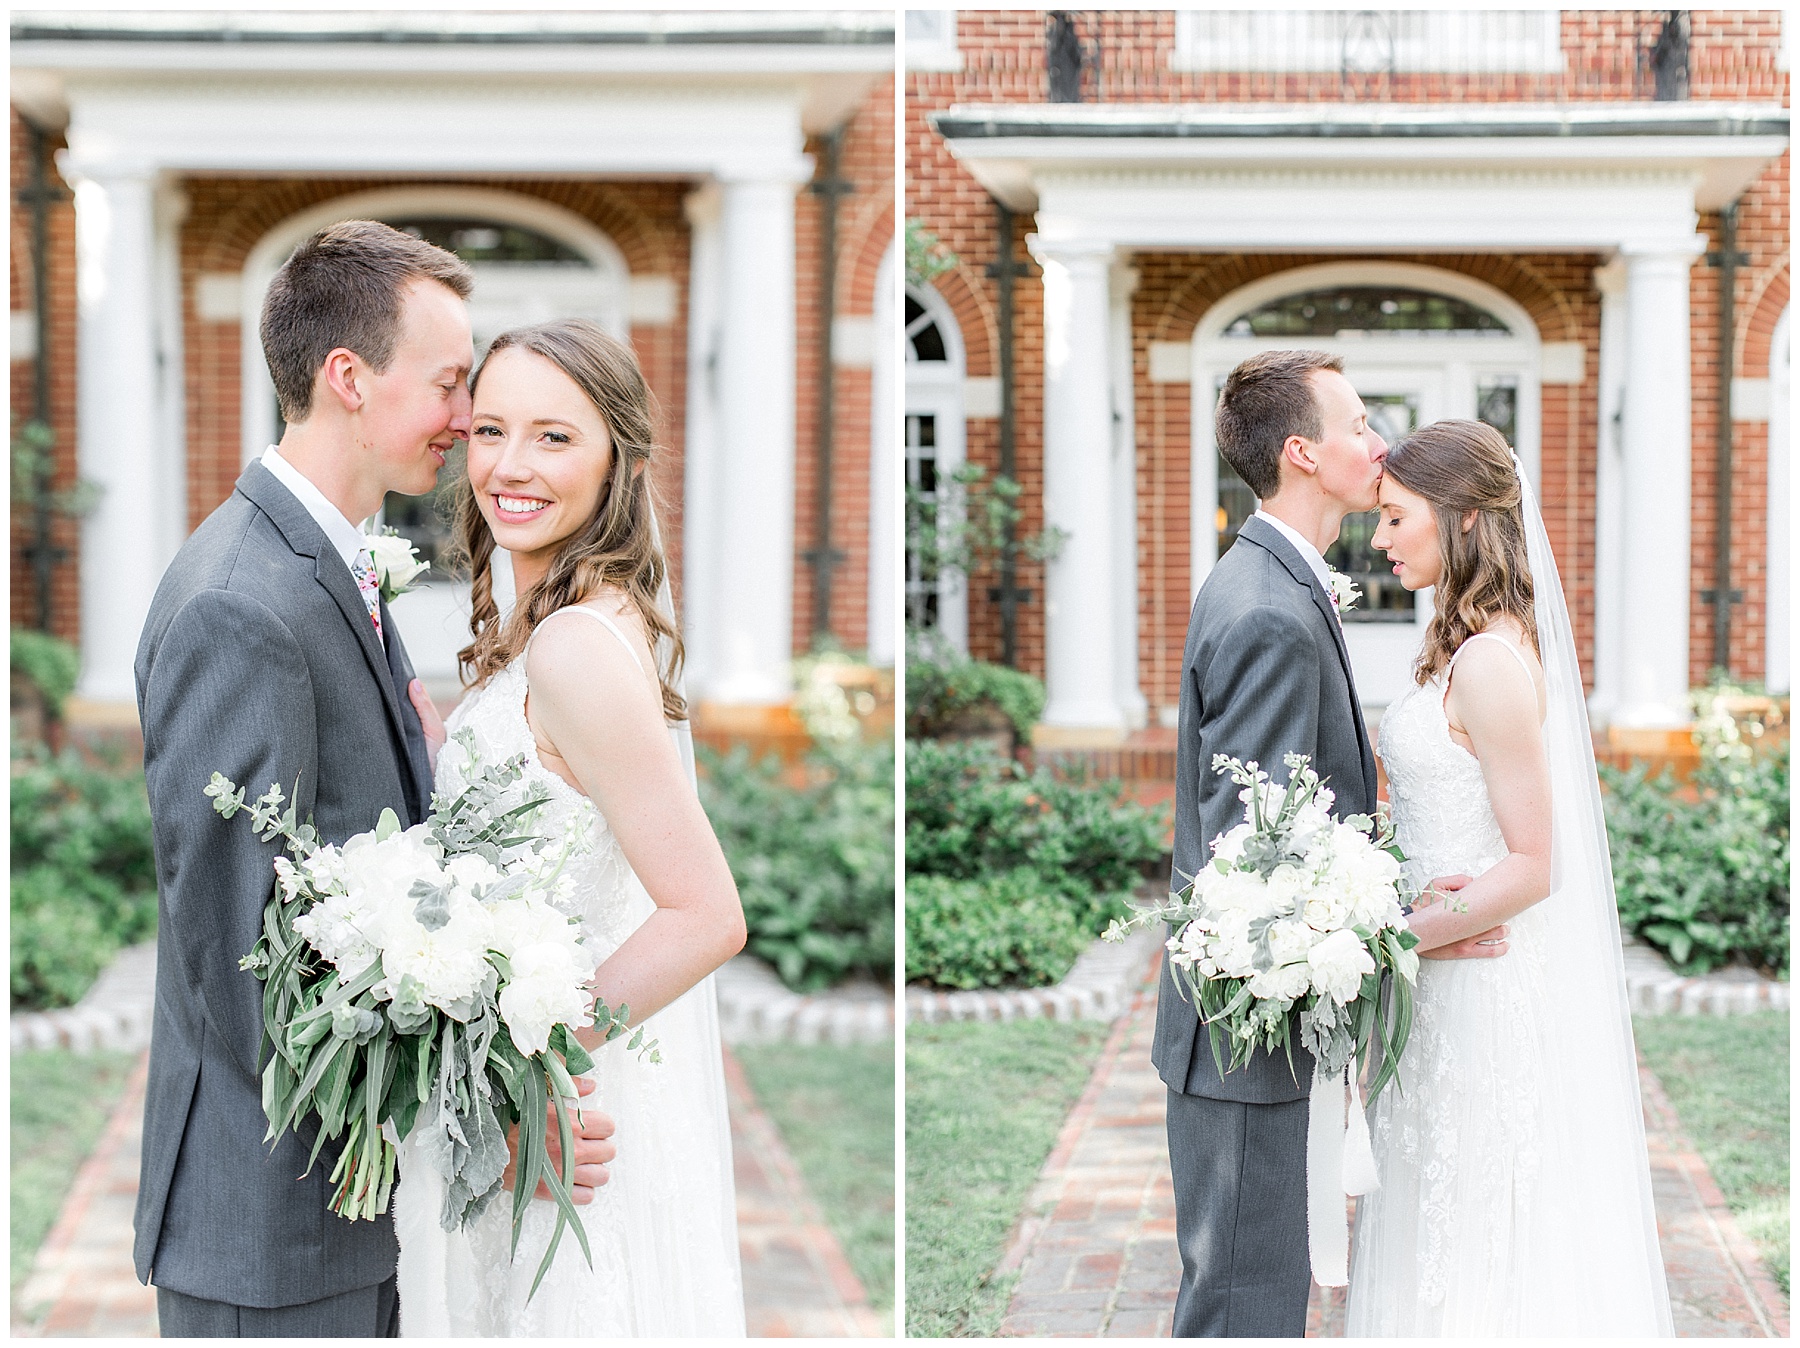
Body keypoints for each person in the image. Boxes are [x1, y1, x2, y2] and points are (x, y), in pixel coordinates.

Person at [132, 221, 615, 1337]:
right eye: (451, 383)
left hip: (349, 1206)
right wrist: (485, 1113)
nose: (465, 420)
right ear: (348, 378)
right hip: (276, 1226)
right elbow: (241, 960)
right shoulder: (239, 602)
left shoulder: (327, 560)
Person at [392, 318, 749, 1336]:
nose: (510, 465)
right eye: (491, 429)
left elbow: (706, 914)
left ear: (617, 460)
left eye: (555, 437)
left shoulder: (575, 647)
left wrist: (531, 1076)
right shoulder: (570, 618)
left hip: (561, 1113)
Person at [1156, 351, 1508, 1337]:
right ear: (1303, 453)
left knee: (1252, 1298)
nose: (1378, 442)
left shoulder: (1277, 582)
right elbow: (1255, 867)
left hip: (1252, 1040)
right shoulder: (1269, 609)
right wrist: (1408, 928)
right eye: (1359, 424)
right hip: (1242, 1043)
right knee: (1244, 1309)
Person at [1348, 419, 1672, 1335]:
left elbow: (1534, 863)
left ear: (1458, 518)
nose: (1379, 539)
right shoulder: (1460, 642)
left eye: (1395, 518)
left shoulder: (1490, 661)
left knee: (1481, 1230)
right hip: (1442, 974)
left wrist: (1379, 944)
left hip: (1482, 990)